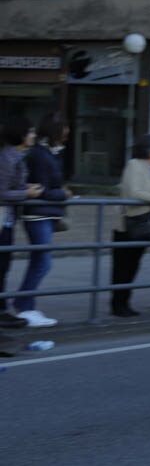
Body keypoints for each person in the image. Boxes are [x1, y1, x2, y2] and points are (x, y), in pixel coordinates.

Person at [111, 134, 150, 317]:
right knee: (123, 265)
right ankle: (118, 303)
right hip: (129, 222)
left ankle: (125, 301)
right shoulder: (134, 165)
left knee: (134, 264)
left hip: (147, 221)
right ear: (149, 150)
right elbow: (135, 192)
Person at [18, 113, 72, 327]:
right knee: (42, 262)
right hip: (38, 213)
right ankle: (24, 306)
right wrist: (64, 194)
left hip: (44, 213)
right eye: (63, 134)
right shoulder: (40, 155)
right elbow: (42, 190)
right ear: (55, 133)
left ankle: (25, 304)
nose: (66, 139)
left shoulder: (49, 153)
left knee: (40, 261)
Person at [0, 117, 43, 329]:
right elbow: (2, 191)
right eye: (31, 131)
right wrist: (26, 193)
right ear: (21, 134)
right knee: (1, 266)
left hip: (7, 220)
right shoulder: (8, 157)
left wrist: (26, 188)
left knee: (4, 266)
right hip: (2, 220)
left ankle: (3, 310)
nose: (34, 135)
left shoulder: (15, 155)